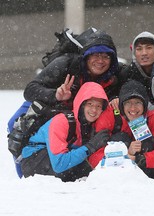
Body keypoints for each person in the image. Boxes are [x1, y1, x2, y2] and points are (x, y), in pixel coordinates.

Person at [8, 29, 121, 178]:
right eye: (95, 55)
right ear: (86, 56)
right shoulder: (66, 64)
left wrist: (119, 97)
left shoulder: (116, 74)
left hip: (79, 114)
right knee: (15, 127)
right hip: (50, 105)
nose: (100, 61)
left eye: (106, 56)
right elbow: (30, 90)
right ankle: (24, 177)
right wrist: (55, 95)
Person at [20, 82, 110, 182]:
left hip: (56, 160)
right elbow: (59, 164)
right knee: (77, 172)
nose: (94, 110)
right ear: (81, 105)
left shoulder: (90, 125)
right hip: (34, 160)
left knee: (89, 173)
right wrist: (90, 147)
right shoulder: (61, 122)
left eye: (98, 106)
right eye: (90, 104)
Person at [95, 80, 154, 179]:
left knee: (147, 142)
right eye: (128, 103)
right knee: (120, 139)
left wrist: (138, 159)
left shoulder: (153, 115)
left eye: (138, 103)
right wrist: (123, 157)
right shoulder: (111, 113)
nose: (133, 108)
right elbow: (96, 154)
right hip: (115, 172)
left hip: (146, 170)